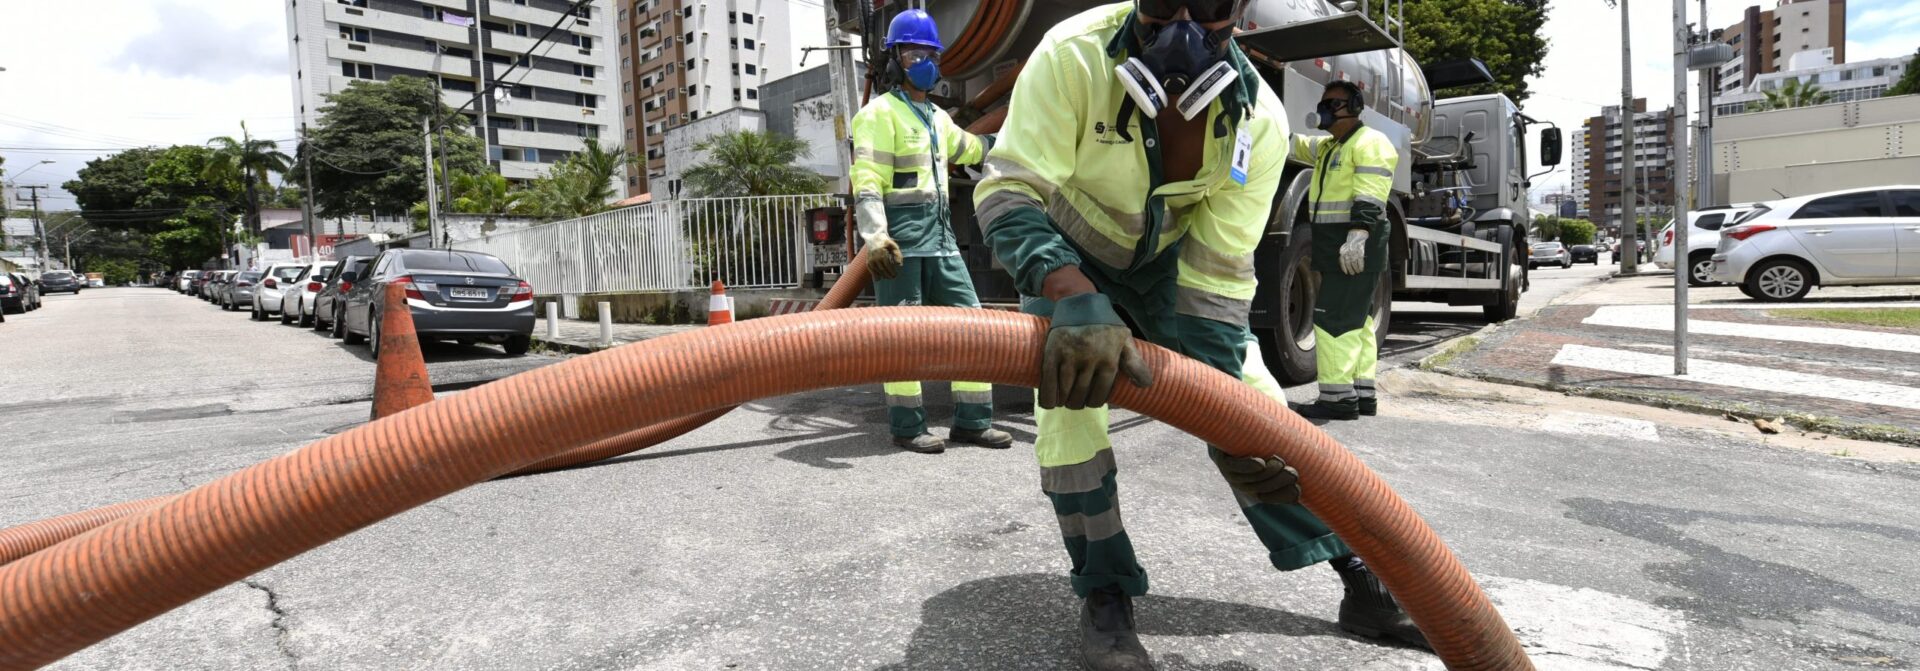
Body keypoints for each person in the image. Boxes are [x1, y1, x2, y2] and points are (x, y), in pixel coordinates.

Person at [974, 2, 1426, 668]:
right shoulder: (1071, 56)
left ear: (1238, 13)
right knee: (1070, 416)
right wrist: (1072, 295)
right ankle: (1104, 592)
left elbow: (1215, 283)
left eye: (1210, 2)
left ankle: (1356, 575)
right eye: (1163, 0)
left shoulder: (1261, 126)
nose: (1183, 24)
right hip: (1066, 256)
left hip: (1174, 269)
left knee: (1261, 416)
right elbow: (1009, 192)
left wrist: (1230, 423)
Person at [850, 8, 1014, 455]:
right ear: (892, 60)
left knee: (972, 327)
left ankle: (973, 422)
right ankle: (907, 427)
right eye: (913, 53)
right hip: (899, 246)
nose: (924, 62)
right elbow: (866, 182)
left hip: (941, 243)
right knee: (904, 340)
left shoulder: (936, 118)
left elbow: (974, 147)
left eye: (930, 54)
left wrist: (1019, 138)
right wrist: (877, 238)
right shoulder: (877, 116)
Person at [1288, 80, 1399, 421]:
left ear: (1353, 105)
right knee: (1359, 319)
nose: (1324, 109)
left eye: (1332, 103)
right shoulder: (1329, 147)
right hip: (1335, 244)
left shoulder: (1371, 143)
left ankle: (1336, 400)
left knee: (1332, 319)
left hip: (1353, 245)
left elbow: (1370, 195)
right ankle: (1362, 394)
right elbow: (1294, 145)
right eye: (1324, 102)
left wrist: (1357, 237)